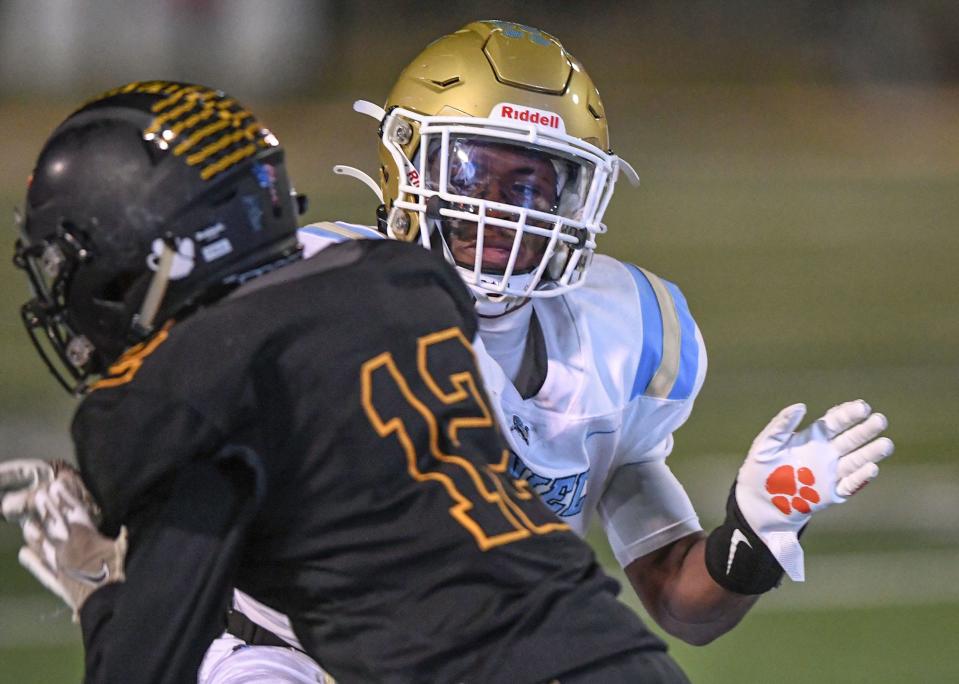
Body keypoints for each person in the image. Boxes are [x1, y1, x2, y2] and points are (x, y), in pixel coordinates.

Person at [199, 20, 894, 683]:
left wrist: (753, 535)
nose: (500, 211)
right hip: (283, 655)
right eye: (471, 175)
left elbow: (681, 603)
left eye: (530, 185)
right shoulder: (312, 289)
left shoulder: (622, 336)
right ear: (403, 161)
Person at [0, 80, 701, 683]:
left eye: (77, 261)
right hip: (618, 655)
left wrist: (99, 588)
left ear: (158, 251)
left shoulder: (179, 394)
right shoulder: (402, 286)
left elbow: (142, 671)